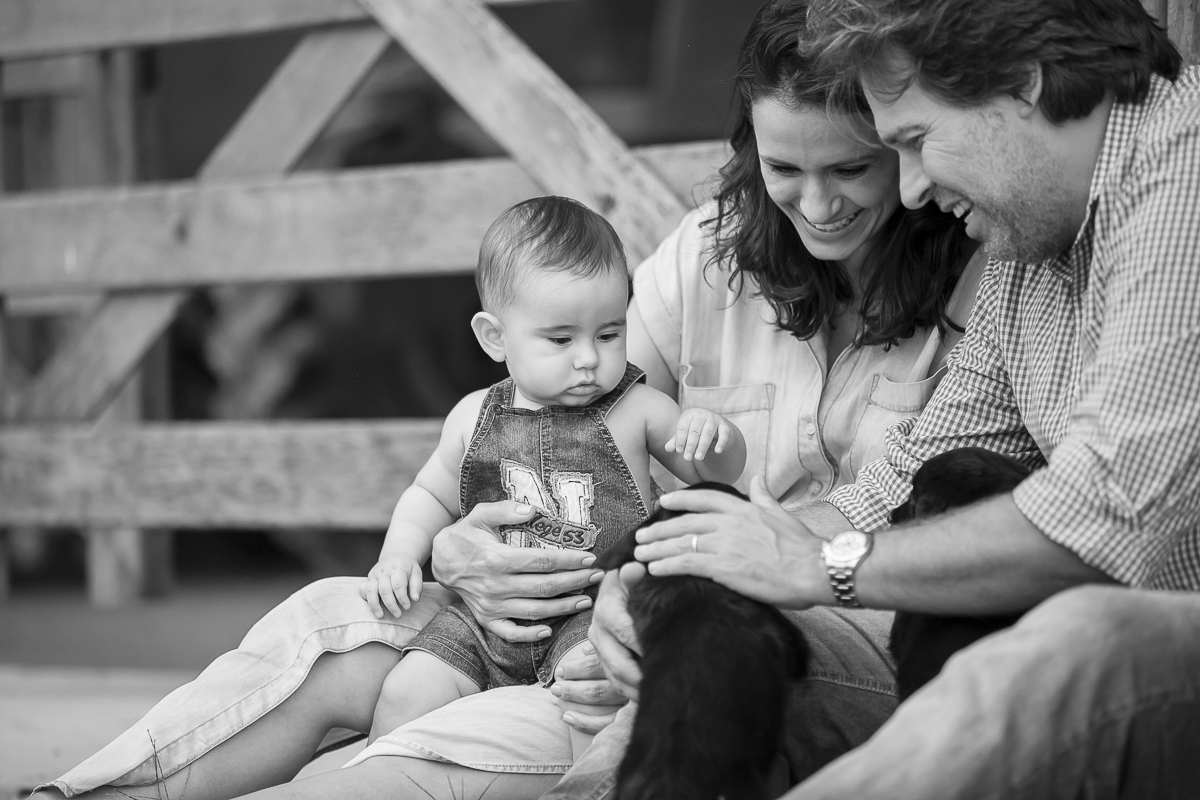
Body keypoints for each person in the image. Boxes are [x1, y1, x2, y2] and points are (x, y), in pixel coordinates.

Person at [33, 2, 980, 798]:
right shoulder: (713, 252)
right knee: (330, 626)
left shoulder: (979, 286)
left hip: (728, 637)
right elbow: (578, 404)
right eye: (782, 170)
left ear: (905, 148)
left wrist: (659, 584)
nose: (815, 205)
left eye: (850, 169)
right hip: (585, 589)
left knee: (430, 750)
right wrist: (457, 548)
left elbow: (910, 535)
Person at [572, 0, 1200, 798]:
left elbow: (1108, 513)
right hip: (1077, 662)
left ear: (1024, 84)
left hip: (1156, 639)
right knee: (720, 635)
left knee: (1081, 635)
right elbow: (900, 482)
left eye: (914, 140)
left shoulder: (1183, 175)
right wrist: (671, 578)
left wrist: (824, 564)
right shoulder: (1033, 250)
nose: (910, 188)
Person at [357, 194, 746, 754]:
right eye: (561, 339)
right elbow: (429, 496)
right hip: (487, 617)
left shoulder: (637, 409)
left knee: (591, 697)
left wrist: (713, 435)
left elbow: (717, 474)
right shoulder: (473, 416)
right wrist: (398, 556)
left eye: (609, 334)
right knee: (406, 690)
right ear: (495, 337)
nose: (589, 358)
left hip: (593, 613)